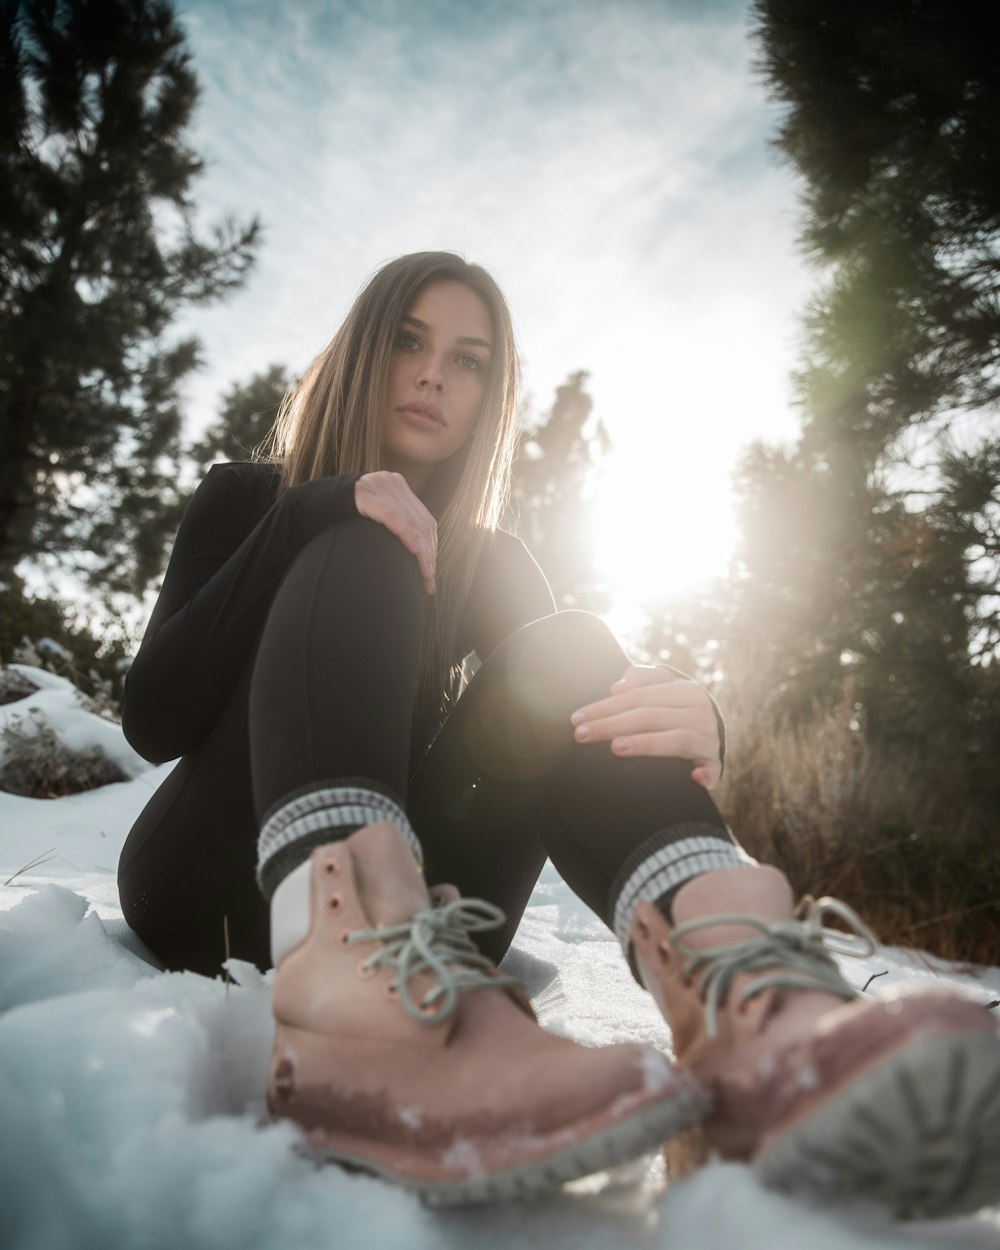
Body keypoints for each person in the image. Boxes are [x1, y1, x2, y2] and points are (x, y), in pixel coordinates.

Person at [118, 252, 1000, 1214]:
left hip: (426, 929)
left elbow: (570, 732)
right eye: (410, 341)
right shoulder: (251, 497)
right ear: (364, 349)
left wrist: (686, 717)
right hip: (209, 878)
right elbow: (154, 718)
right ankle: (350, 1034)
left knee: (573, 647)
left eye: (471, 361)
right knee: (365, 538)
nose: (433, 375)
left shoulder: (492, 563)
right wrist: (309, 517)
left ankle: (749, 1018)